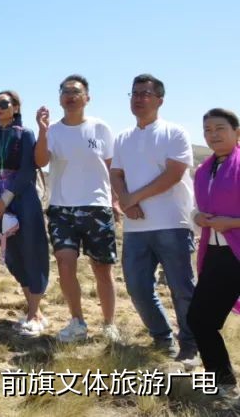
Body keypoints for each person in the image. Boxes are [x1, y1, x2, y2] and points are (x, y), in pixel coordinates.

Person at [110, 74, 196, 360]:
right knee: (136, 287)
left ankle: (190, 345)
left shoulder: (175, 133)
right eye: (134, 93)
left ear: (159, 99)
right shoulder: (123, 137)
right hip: (136, 228)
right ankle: (162, 337)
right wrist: (124, 199)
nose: (138, 98)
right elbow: (116, 173)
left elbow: (173, 174)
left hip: (172, 223)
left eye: (145, 93)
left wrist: (133, 198)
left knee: (181, 289)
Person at [34, 75, 120, 343]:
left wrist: (115, 200)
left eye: (76, 91)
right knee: (65, 263)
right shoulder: (53, 131)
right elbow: (40, 161)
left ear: (87, 97)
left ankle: (108, 324)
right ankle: (77, 321)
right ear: (60, 98)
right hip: (62, 208)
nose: (70, 95)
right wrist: (42, 130)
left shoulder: (101, 128)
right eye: (65, 91)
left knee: (102, 269)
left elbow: (112, 168)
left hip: (96, 207)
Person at [0, 90, 49, 335]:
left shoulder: (25, 134)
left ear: (16, 107)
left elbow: (26, 171)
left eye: (3, 103)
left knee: (32, 250)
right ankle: (36, 311)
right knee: (13, 255)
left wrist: (6, 198)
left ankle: (33, 314)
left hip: (24, 201)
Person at [189, 108, 240, 393]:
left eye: (220, 128)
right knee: (200, 319)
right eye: (207, 130)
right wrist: (198, 217)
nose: (213, 134)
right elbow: (200, 209)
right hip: (218, 254)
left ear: (237, 132)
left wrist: (231, 223)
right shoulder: (204, 170)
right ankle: (222, 381)